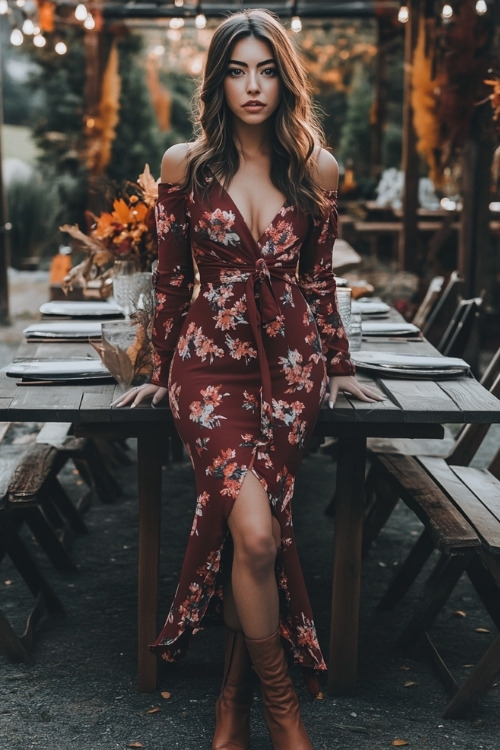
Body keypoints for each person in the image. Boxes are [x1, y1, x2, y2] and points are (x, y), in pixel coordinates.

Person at [113, 9, 382, 749]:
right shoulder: (185, 166)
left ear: (285, 79)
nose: (253, 85)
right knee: (257, 532)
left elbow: (320, 283)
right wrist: (153, 371)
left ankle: (233, 702)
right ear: (218, 82)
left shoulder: (317, 168)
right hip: (207, 370)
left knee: (251, 542)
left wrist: (343, 366)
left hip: (292, 373)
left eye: (266, 69)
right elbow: (169, 283)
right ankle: (284, 707)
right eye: (237, 70)